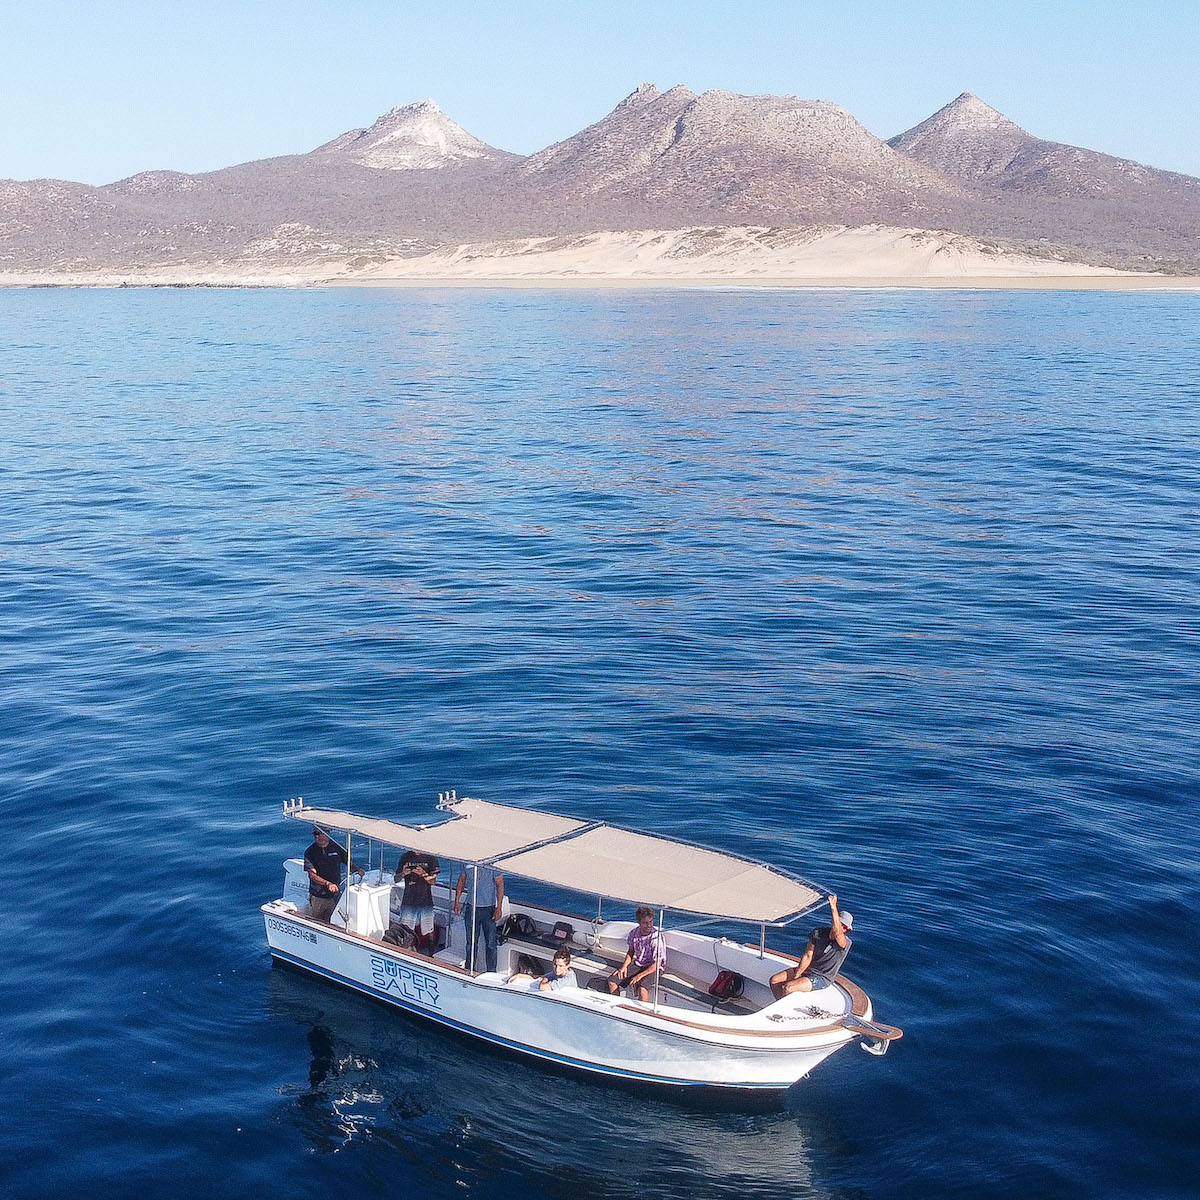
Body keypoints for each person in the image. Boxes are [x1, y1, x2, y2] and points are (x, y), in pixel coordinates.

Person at [770, 894, 853, 998]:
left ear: (847, 930)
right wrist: (797, 974)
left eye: (844, 927)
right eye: (840, 924)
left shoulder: (845, 943)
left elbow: (838, 933)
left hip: (822, 977)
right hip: (808, 970)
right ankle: (779, 1003)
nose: (841, 928)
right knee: (774, 980)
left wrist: (833, 907)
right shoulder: (818, 933)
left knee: (789, 987)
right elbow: (808, 955)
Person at [453, 863, 505, 973]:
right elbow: (462, 880)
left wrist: (499, 908)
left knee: (491, 943)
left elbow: (500, 885)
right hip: (471, 907)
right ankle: (470, 968)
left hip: (489, 908)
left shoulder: (493, 865)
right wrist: (457, 901)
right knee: (471, 941)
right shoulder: (467, 863)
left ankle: (491, 971)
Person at [607, 905, 666, 1002]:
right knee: (612, 980)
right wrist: (624, 966)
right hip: (639, 964)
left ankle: (642, 1013)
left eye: (650, 922)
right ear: (639, 923)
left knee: (642, 989)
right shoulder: (634, 933)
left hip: (654, 967)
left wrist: (639, 976)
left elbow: (657, 964)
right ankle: (616, 1004)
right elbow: (631, 951)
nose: (649, 925)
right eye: (645, 923)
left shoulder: (656, 938)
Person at [393, 847, 440, 953]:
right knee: (406, 928)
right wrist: (403, 874)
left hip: (425, 899)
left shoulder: (431, 858)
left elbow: (433, 881)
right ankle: (407, 951)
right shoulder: (405, 857)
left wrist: (423, 874)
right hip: (408, 899)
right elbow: (396, 879)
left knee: (429, 929)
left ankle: (431, 952)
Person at [304, 826, 350, 923]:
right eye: (316, 834)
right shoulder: (310, 852)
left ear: (328, 834)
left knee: (335, 922)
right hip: (318, 896)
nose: (318, 837)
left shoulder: (338, 847)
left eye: (321, 833)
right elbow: (312, 875)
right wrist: (327, 884)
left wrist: (357, 870)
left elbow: (348, 862)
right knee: (317, 922)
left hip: (335, 893)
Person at [507, 947, 578, 992]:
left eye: (561, 966)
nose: (557, 969)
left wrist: (544, 980)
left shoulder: (567, 978)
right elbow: (539, 977)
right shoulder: (557, 972)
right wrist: (520, 975)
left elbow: (543, 987)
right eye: (555, 965)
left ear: (567, 966)